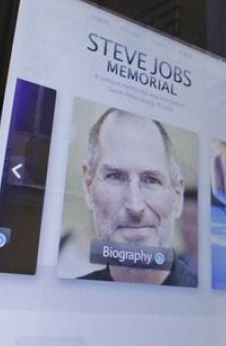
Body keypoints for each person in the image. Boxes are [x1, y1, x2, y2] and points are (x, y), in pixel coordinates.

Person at [79, 108, 196, 287]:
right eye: (115, 176)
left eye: (152, 180)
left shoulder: (214, 305)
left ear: (177, 197)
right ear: (89, 187)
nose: (135, 205)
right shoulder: (69, 299)